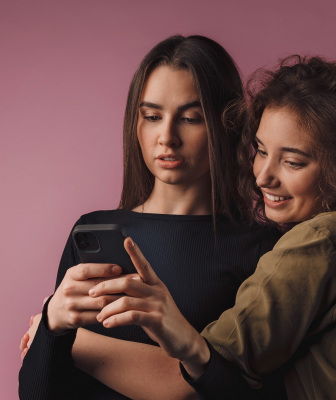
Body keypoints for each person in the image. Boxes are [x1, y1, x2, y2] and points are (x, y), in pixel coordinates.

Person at [90, 56, 336, 399]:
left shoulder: (321, 241)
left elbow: (199, 375)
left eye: (292, 161)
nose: (263, 176)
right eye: (260, 151)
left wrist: (64, 339)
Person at [18, 35, 280, 399]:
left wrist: (80, 345)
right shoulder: (91, 231)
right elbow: (38, 394)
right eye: (153, 116)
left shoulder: (263, 250)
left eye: (190, 118)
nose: (167, 137)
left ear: (226, 125)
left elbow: (253, 392)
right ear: (135, 125)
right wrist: (52, 325)